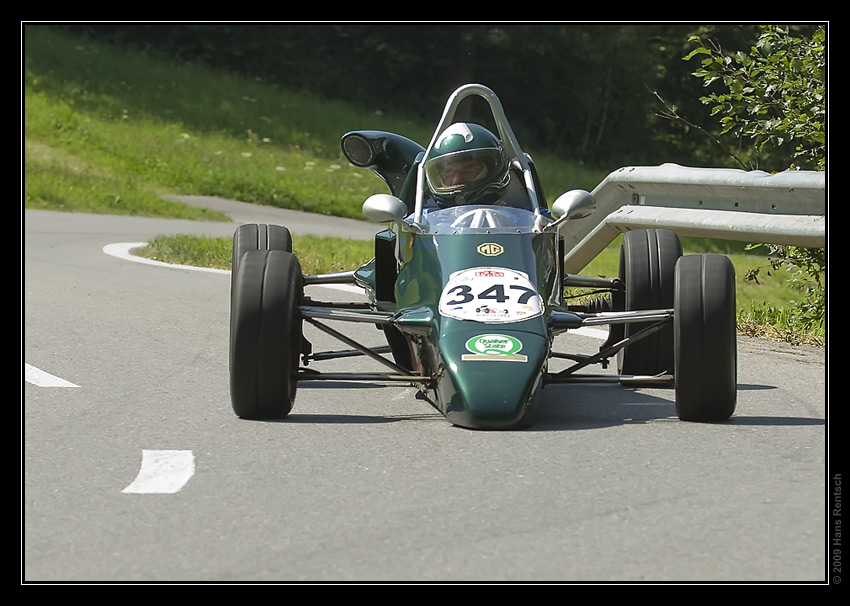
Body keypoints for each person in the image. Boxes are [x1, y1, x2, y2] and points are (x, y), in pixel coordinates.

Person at [423, 123, 512, 208]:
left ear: (491, 170)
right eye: (448, 173)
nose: (457, 181)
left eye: (469, 171)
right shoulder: (424, 220)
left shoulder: (520, 219)